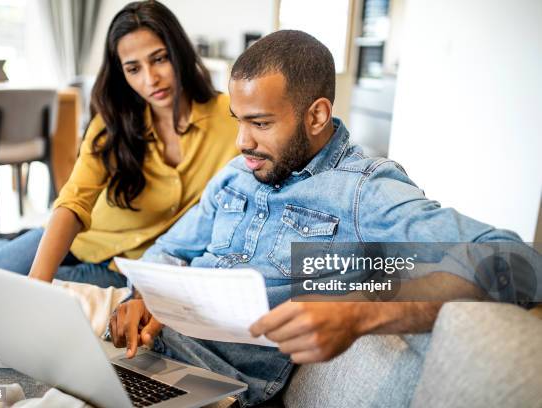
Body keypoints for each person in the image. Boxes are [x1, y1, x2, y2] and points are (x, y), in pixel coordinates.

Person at [109, 30, 534, 407]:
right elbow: (168, 249)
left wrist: (358, 313)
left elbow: (517, 263)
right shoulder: (239, 173)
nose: (242, 141)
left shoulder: (363, 191)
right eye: (239, 121)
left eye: (260, 123)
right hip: (147, 352)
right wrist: (143, 296)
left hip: (217, 385)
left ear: (316, 115)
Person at [0, 0, 239, 288]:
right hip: (77, 240)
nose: (151, 79)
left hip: (124, 268)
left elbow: (291, 195)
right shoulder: (113, 122)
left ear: (180, 53)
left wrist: (296, 294)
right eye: (134, 69)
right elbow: (74, 200)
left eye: (160, 59)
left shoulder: (232, 117)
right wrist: (37, 282)